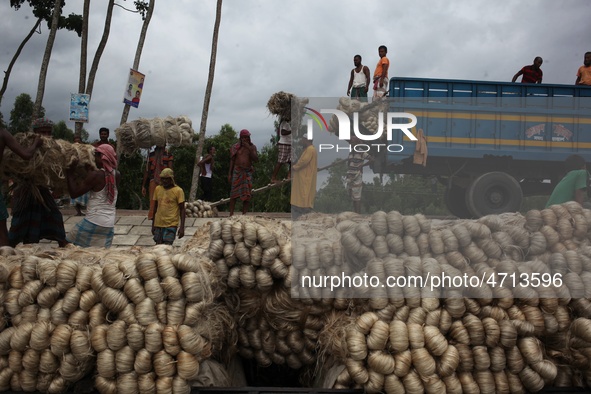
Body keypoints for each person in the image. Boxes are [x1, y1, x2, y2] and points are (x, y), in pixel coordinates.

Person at [8, 118, 68, 248]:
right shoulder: (24, 143)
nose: (46, 135)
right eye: (42, 132)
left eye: (48, 132)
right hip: (25, 189)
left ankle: (63, 244)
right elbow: (19, 163)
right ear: (35, 132)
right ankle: (9, 247)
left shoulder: (52, 147)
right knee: (20, 220)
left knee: (55, 215)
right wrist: (35, 144)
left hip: (42, 190)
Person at [66, 144, 120, 248]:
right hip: (108, 224)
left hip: (92, 221)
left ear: (102, 157)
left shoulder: (96, 175)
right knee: (99, 254)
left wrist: (69, 172)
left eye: (95, 155)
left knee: (67, 243)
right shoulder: (117, 174)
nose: (93, 158)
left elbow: (74, 193)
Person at [0, 128, 41, 246]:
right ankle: (5, 260)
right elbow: (26, 154)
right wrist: (36, 143)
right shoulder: (2, 134)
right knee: (2, 234)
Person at [151, 168, 185, 245]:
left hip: (171, 224)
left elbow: (182, 209)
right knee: (158, 245)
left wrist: (182, 227)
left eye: (167, 179)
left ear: (171, 179)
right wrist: (153, 224)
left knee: (167, 246)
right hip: (159, 223)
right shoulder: (158, 189)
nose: (164, 181)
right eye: (163, 179)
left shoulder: (178, 191)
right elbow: (155, 208)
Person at [229, 129, 258, 216]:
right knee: (233, 193)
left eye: (247, 137)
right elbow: (232, 161)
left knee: (247, 194)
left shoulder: (252, 147)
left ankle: (244, 214)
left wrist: (248, 148)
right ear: (240, 138)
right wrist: (229, 174)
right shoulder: (235, 147)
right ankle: (231, 214)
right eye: (244, 137)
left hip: (247, 172)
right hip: (237, 171)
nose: (246, 139)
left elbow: (256, 159)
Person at [142, 145, 173, 220]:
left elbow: (147, 171)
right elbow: (170, 170)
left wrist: (143, 185)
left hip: (156, 181)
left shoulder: (152, 155)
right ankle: (158, 217)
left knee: (154, 200)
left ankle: (154, 217)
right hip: (163, 182)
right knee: (162, 200)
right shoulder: (168, 155)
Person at [290, 136, 317, 220]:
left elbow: (303, 161)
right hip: (304, 177)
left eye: (302, 139)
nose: (301, 141)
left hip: (305, 178)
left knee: (303, 195)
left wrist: (294, 167)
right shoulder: (310, 149)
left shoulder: (310, 150)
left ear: (306, 140)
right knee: (303, 195)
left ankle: (302, 213)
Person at [346, 136, 373, 214]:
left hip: (357, 176)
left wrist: (362, 165)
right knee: (353, 196)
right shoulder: (351, 153)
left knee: (357, 196)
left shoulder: (361, 153)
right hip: (350, 176)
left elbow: (372, 159)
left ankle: (358, 214)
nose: (351, 144)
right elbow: (349, 164)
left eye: (352, 143)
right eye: (350, 143)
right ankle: (355, 213)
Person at [71, 136, 88, 216]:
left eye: (79, 142)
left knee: (84, 192)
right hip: (74, 175)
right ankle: (78, 211)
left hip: (83, 174)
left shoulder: (85, 151)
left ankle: (85, 210)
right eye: (75, 142)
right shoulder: (70, 152)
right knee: (74, 192)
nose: (77, 144)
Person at [270, 118, 291, 184]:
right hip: (284, 144)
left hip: (289, 144)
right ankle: (273, 178)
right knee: (280, 161)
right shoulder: (284, 123)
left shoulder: (287, 124)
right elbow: (283, 132)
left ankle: (289, 176)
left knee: (292, 161)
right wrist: (292, 131)